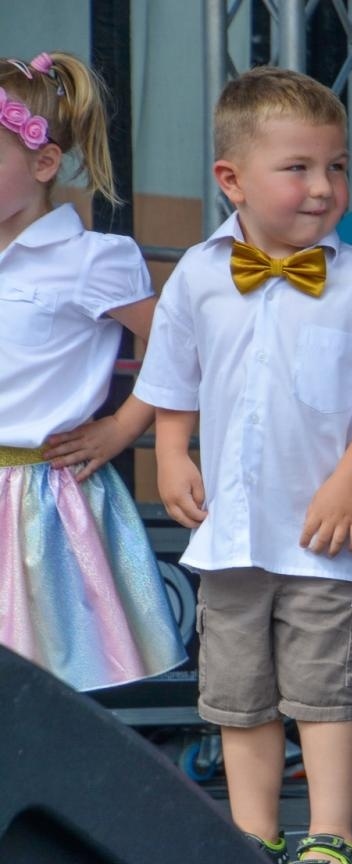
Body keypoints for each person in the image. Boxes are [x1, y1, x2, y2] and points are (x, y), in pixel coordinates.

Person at [136, 67, 352, 864]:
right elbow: (172, 381)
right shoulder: (199, 278)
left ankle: (333, 839)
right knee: (237, 698)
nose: (324, 187)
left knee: (325, 693)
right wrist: (172, 452)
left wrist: (348, 483)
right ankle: (253, 836)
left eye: (336, 166)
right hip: (233, 534)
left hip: (322, 539)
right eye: (299, 168)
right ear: (231, 179)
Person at [0, 50, 185, 691]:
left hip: (36, 499)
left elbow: (183, 347)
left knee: (40, 690)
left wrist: (124, 425)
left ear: (43, 163)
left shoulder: (90, 260)